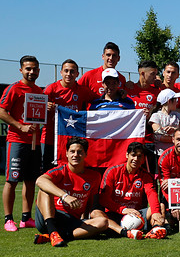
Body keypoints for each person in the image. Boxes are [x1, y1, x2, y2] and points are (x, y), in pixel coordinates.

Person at [33, 138, 108, 246]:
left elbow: (90, 200)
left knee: (103, 222)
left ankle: (54, 236)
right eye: (72, 151)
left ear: (86, 154)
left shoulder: (94, 176)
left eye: (79, 152)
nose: (75, 155)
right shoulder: (60, 171)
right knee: (44, 188)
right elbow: (40, 180)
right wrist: (65, 196)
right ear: (67, 154)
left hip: (71, 221)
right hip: (50, 217)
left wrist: (85, 218)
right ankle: (52, 231)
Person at [0, 55, 44, 231]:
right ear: (21, 70)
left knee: (31, 180)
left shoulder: (40, 92)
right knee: (12, 180)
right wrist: (20, 126)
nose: (31, 72)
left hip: (34, 142)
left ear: (39, 71)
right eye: (28, 68)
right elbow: (2, 111)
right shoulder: (14, 89)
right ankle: (8, 219)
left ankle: (26, 217)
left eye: (34, 69)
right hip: (16, 141)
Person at [91, 142, 166, 240]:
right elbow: (104, 199)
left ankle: (156, 230)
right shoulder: (112, 171)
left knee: (160, 206)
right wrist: (123, 209)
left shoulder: (146, 175)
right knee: (95, 213)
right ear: (127, 155)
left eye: (139, 156)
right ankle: (123, 232)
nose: (136, 159)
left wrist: (156, 212)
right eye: (133, 155)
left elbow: (151, 194)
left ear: (143, 160)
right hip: (115, 214)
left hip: (137, 215)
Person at [42, 59, 96, 173]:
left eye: (72, 71)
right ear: (61, 72)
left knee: (68, 173)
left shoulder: (82, 91)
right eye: (66, 71)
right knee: (47, 174)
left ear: (77, 74)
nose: (68, 74)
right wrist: (45, 106)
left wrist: (121, 94)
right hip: (50, 139)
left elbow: (99, 101)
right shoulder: (51, 89)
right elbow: (37, 108)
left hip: (71, 142)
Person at [150, 89, 180, 155]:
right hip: (161, 154)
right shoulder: (156, 116)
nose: (177, 103)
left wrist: (174, 130)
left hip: (176, 153)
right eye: (176, 100)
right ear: (169, 101)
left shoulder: (178, 115)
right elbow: (156, 131)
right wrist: (174, 136)